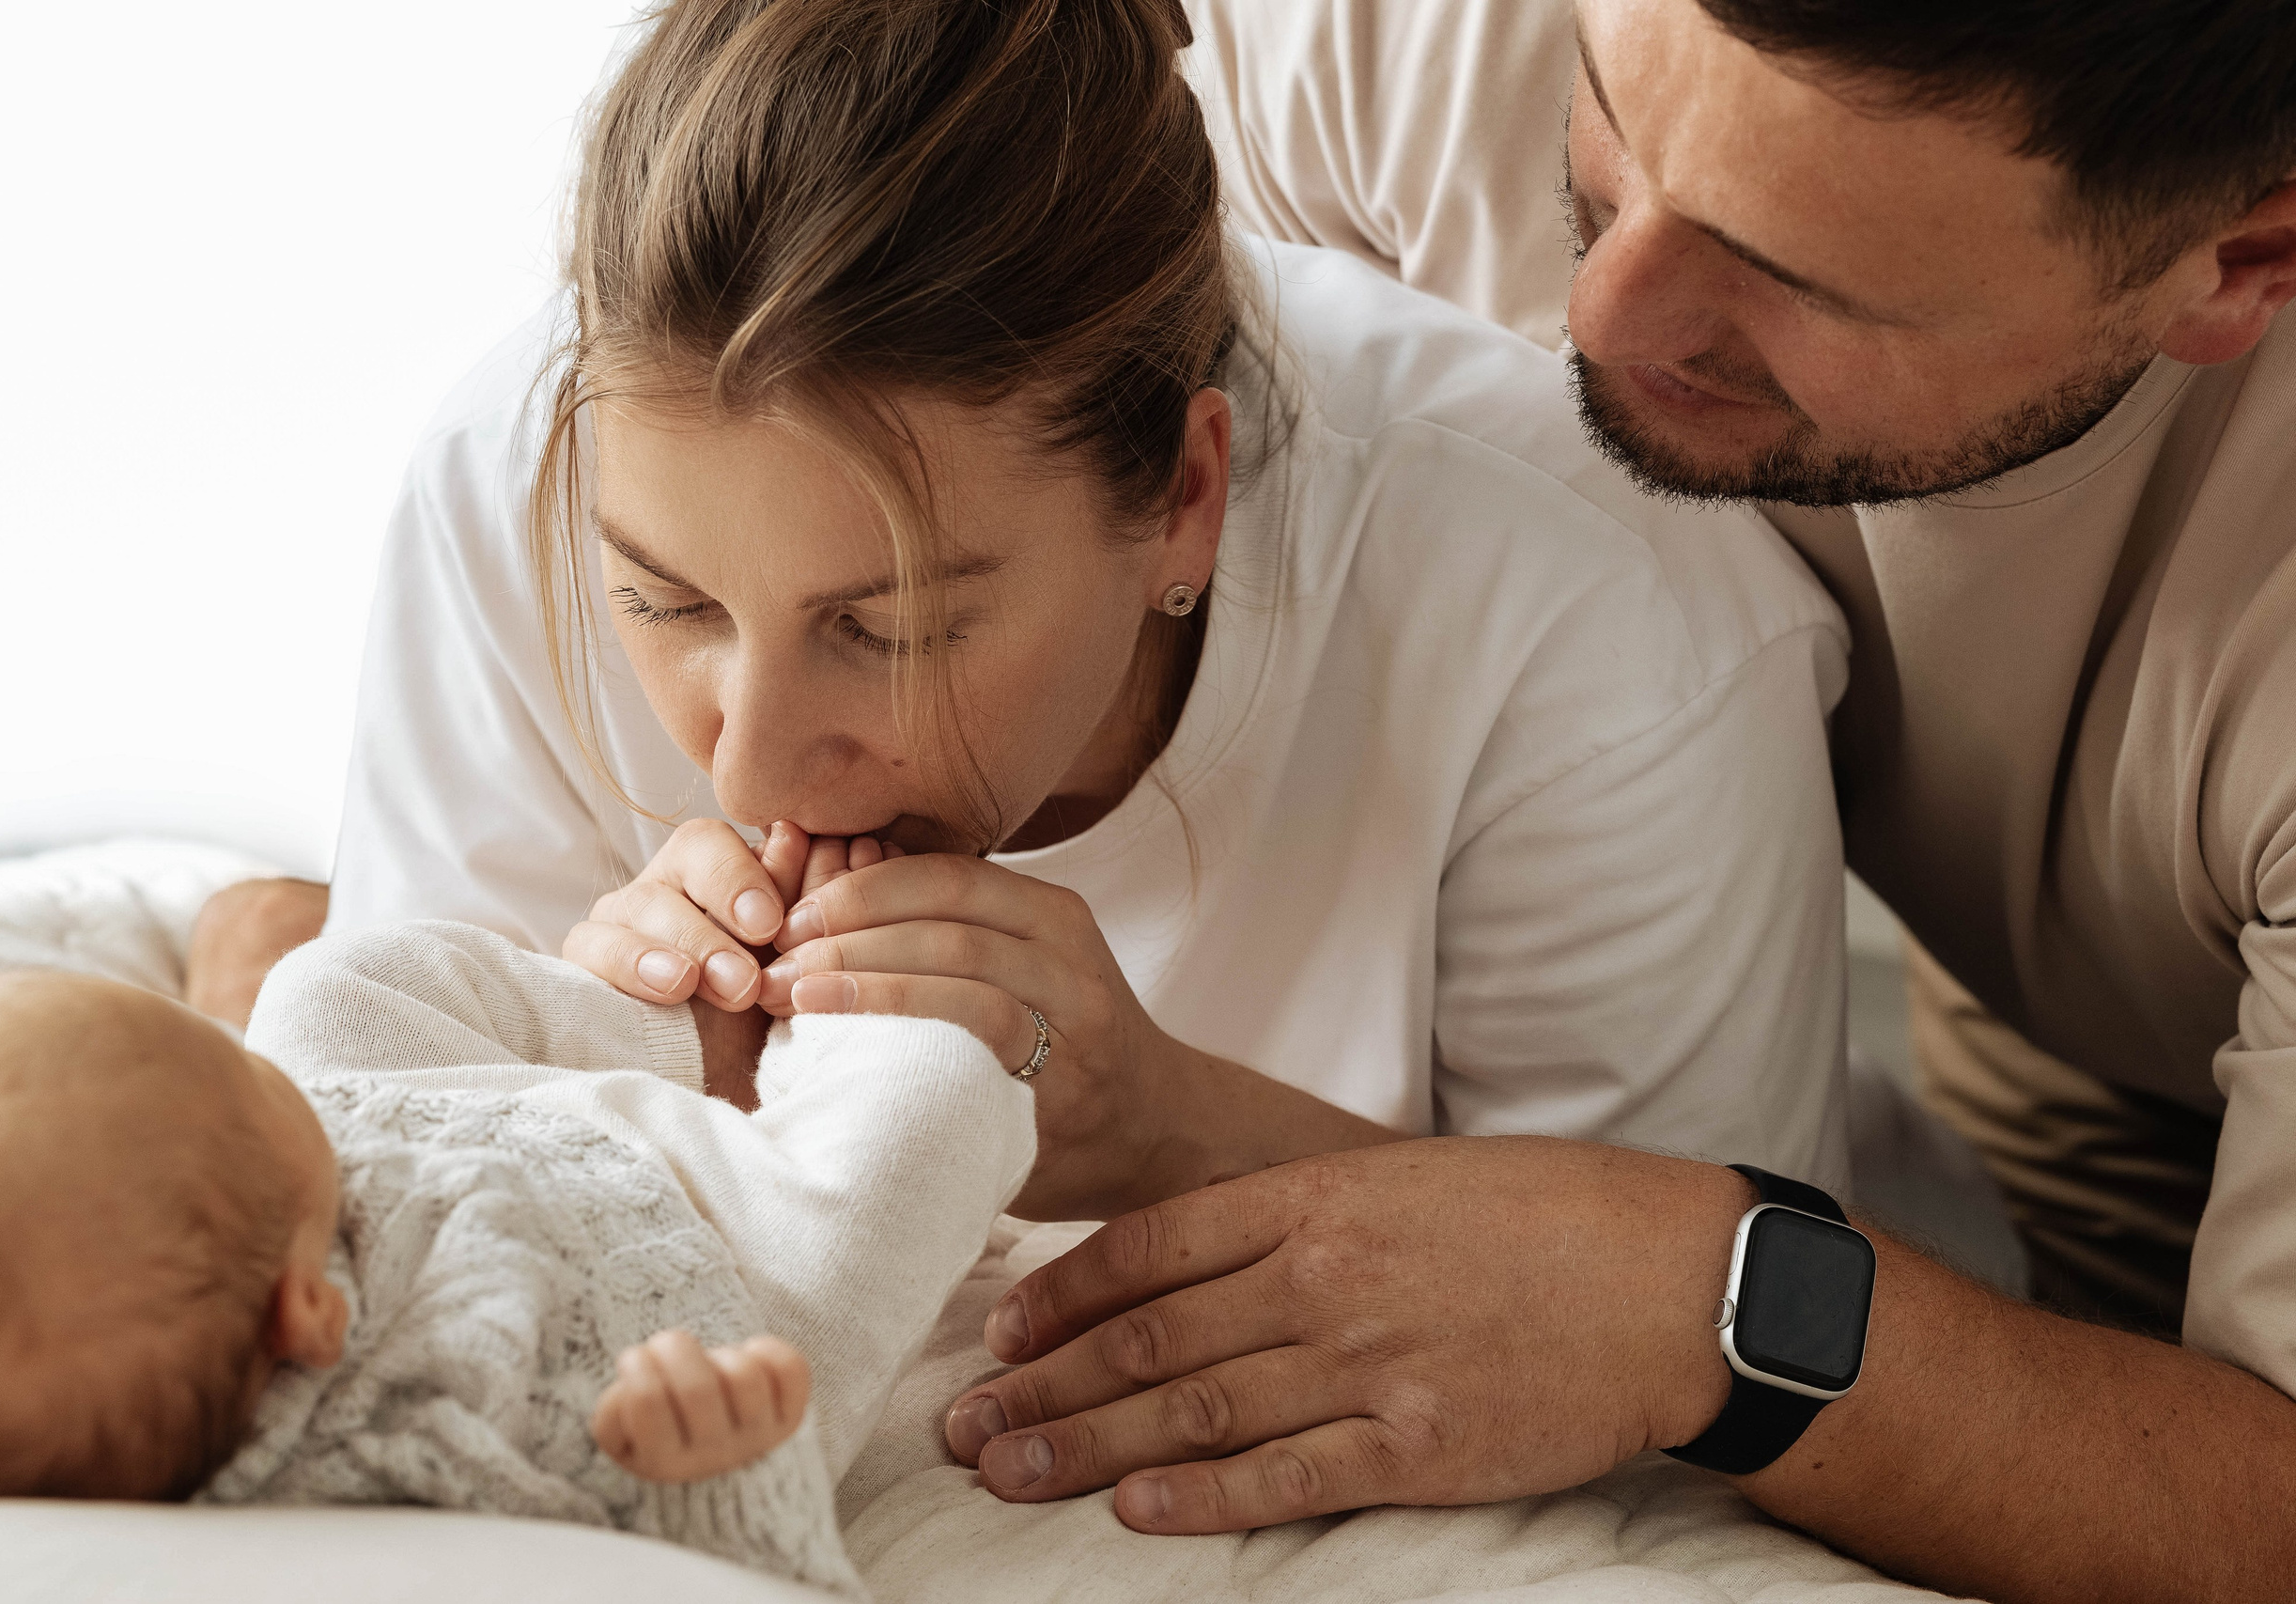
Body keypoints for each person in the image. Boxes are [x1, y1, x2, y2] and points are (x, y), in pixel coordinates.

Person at [928, 3, 2296, 1600]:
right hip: (2031, 938)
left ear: (2242, 266)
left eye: (1795, 277)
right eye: (1609, 128)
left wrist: (1699, 1299)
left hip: (2180, 1014)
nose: (1592, 312)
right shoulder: (1398, 41)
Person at [320, 0, 1852, 1235]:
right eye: (664, 600)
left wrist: (1167, 1129)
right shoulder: (505, 481)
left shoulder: (1611, 620)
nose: (755, 778)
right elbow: (378, 1205)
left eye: (895, 626)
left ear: (1187, 495)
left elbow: (1699, 1363)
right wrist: (634, 1094)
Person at [0, 886, 1035, 1595]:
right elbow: (717, 1582)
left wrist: (261, 1099)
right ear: (308, 1314)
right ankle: (819, 1029)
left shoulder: (221, 1235)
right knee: (930, 1103)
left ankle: (689, 1034)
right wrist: (712, 1479)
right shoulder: (423, 1459)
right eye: (236, 1077)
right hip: (712, 1266)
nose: (238, 1051)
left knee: (325, 984)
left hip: (439, 1123)